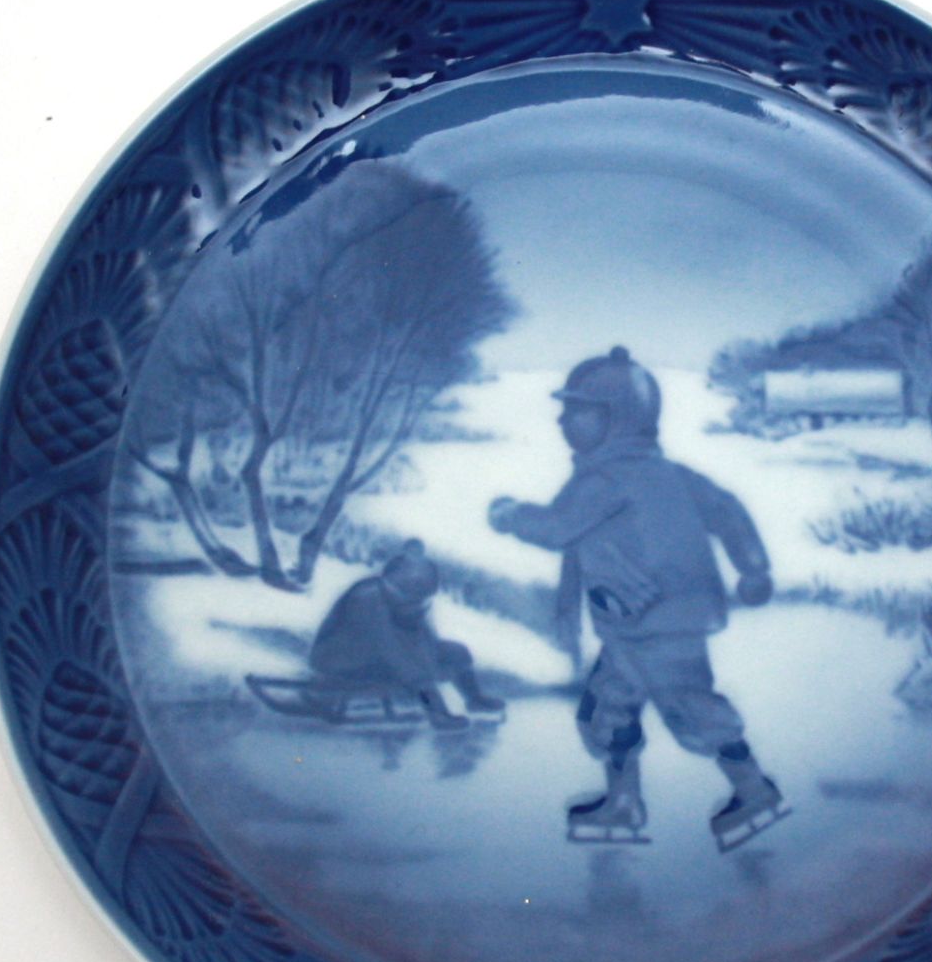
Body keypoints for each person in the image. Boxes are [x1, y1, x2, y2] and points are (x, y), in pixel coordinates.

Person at [488, 346, 788, 851]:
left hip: (659, 626)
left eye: (576, 410)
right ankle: (624, 802)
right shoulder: (668, 472)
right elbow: (728, 512)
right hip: (634, 628)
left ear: (617, 417)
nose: (563, 420)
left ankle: (754, 790)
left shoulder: (606, 479)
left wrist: (510, 514)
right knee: (608, 710)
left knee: (692, 709)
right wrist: (753, 569)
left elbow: (558, 528)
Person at [308, 539, 504, 731]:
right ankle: (437, 714)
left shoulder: (413, 599)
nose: (415, 605)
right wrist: (426, 682)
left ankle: (474, 699)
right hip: (344, 657)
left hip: (381, 653)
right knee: (411, 666)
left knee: (456, 652)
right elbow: (390, 648)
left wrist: (431, 657)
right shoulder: (368, 598)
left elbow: (424, 638)